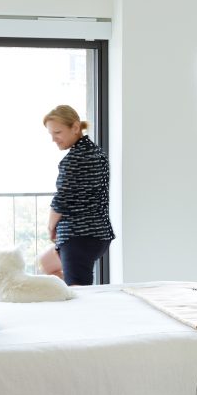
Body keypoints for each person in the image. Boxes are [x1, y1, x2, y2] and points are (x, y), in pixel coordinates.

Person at [39, 105, 114, 286]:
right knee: (46, 263)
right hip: (99, 234)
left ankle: (75, 302)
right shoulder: (97, 153)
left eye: (57, 132)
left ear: (75, 127)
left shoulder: (74, 160)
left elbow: (61, 200)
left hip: (78, 236)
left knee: (79, 290)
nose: (54, 139)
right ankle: (67, 292)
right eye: (51, 134)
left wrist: (50, 227)